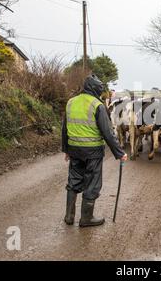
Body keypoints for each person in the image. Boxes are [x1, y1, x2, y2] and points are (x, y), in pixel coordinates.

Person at [62, 74, 128, 228]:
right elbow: (108, 132)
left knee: (74, 181)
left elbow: (64, 128)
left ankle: (69, 216)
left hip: (74, 150)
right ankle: (86, 219)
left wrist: (66, 149)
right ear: (96, 90)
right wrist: (120, 153)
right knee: (92, 183)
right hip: (92, 152)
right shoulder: (97, 105)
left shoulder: (71, 102)